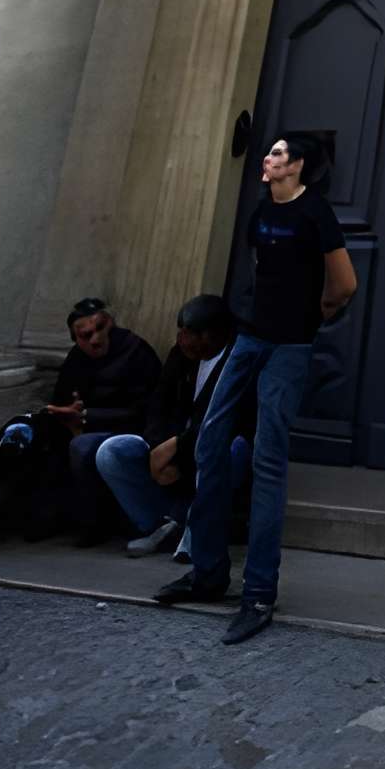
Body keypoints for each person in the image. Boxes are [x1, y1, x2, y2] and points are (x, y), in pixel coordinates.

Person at [157, 132, 356, 645]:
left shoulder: (316, 214)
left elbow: (344, 283)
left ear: (299, 166)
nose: (267, 159)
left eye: (277, 154)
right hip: (249, 338)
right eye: (268, 152)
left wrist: (315, 316)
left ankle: (259, 593)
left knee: (268, 459)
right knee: (208, 443)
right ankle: (208, 572)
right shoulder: (260, 210)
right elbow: (260, 268)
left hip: (289, 347)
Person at [0, 298, 161, 542]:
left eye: (100, 329)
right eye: (86, 335)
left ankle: (91, 524)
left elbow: (145, 410)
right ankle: (41, 516)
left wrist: (87, 417)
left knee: (82, 447)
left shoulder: (136, 352)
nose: (95, 339)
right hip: (78, 424)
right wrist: (64, 412)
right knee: (29, 434)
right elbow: (63, 397)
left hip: (122, 429)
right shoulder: (78, 358)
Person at [95, 294, 252, 556]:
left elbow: (227, 421)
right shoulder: (180, 356)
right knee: (112, 451)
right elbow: (158, 406)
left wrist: (177, 451)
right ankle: (160, 525)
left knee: (235, 449)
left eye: (190, 334)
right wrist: (158, 448)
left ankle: (193, 529)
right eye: (180, 332)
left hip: (207, 450)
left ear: (212, 335)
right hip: (170, 451)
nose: (182, 340)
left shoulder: (237, 362)